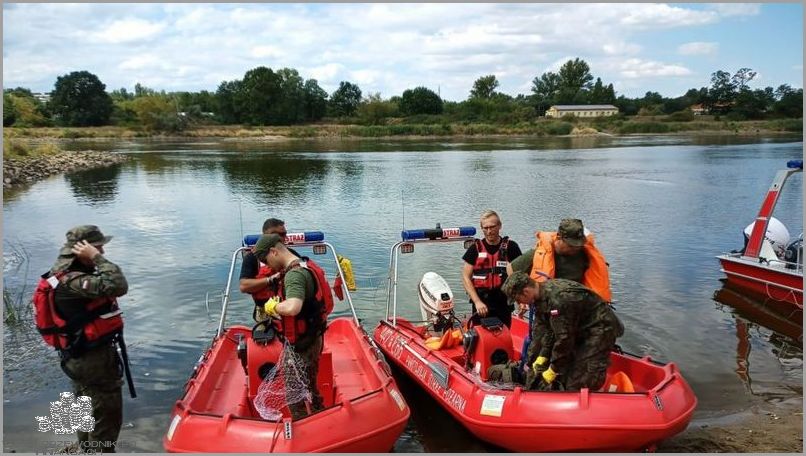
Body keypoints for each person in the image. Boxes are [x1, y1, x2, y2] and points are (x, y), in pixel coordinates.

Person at [46, 225, 129, 453]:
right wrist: (97, 258)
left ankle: (88, 450)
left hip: (79, 355)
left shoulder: (63, 273)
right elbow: (119, 285)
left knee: (85, 407)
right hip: (92, 359)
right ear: (84, 249)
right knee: (105, 413)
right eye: (98, 247)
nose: (102, 251)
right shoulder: (73, 280)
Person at [502, 272, 624, 392]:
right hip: (579, 326)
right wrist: (542, 356)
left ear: (525, 292)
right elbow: (548, 331)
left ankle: (593, 394)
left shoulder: (558, 300)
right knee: (565, 369)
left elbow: (564, 339)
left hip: (601, 328)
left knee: (582, 379)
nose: (519, 304)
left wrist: (553, 369)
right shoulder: (540, 297)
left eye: (518, 299)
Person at [252, 233, 330, 420]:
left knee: (294, 394)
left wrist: (273, 306)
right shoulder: (304, 265)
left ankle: (304, 429)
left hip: (302, 345)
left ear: (274, 251)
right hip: (313, 337)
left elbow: (294, 307)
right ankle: (320, 415)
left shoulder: (294, 276)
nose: (268, 266)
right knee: (310, 384)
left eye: (266, 260)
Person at [508, 218, 611, 306]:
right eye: (571, 245)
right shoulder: (538, 254)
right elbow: (510, 269)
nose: (576, 248)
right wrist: (521, 297)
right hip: (547, 309)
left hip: (575, 309)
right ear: (559, 238)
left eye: (579, 245)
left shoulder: (584, 253)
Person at [461, 210, 522, 327]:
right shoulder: (475, 249)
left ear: (499, 226)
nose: (489, 231)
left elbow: (520, 275)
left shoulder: (511, 247)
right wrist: (477, 302)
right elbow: (465, 277)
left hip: (504, 303)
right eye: (485, 228)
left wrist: (521, 300)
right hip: (481, 303)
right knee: (481, 339)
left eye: (492, 227)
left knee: (503, 338)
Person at [239, 218, 296, 321]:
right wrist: (270, 279)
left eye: (283, 234)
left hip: (290, 307)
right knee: (263, 334)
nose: (280, 238)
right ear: (264, 235)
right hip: (264, 311)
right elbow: (244, 286)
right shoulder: (252, 258)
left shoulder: (292, 256)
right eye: (275, 234)